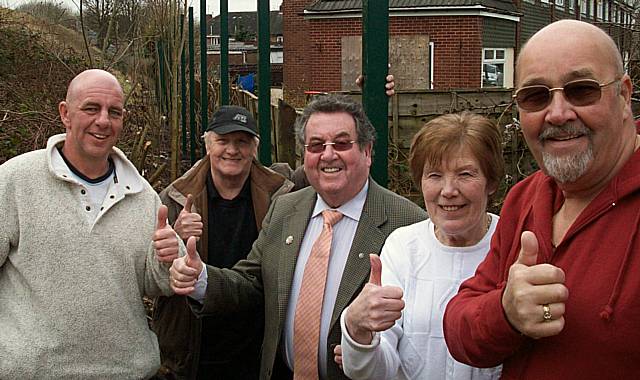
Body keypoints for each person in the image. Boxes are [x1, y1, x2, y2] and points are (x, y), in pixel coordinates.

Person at [169, 94, 427, 380]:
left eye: (341, 143)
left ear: (367, 152)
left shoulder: (408, 223)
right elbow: (252, 281)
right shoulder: (286, 208)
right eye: (316, 145)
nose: (328, 155)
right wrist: (200, 277)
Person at [443, 20, 640, 378]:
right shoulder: (527, 197)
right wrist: (505, 313)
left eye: (582, 91)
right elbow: (460, 330)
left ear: (624, 96)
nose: (558, 113)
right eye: (536, 96)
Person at [0, 69, 180, 378]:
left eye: (114, 112)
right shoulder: (15, 181)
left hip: (127, 371)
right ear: (65, 114)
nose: (103, 121)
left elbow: (157, 284)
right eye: (91, 108)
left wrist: (168, 261)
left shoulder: (142, 194)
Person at [337, 112, 504, 379]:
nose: (448, 190)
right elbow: (376, 370)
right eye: (435, 175)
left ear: (491, 182)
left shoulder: (512, 245)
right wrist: (357, 330)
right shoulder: (403, 247)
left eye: (465, 174)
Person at [152, 105, 294, 379]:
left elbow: (334, 169)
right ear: (207, 145)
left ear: (255, 148)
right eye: (223, 141)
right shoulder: (173, 199)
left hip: (258, 347)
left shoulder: (283, 193)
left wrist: (372, 89)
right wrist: (178, 236)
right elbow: (152, 276)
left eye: (242, 141)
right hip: (195, 346)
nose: (232, 150)